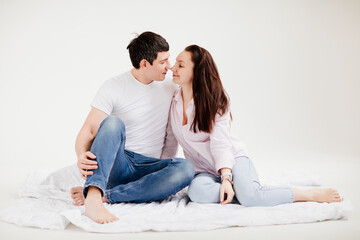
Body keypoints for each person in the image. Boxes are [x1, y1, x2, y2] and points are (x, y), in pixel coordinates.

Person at [163, 44, 342, 206]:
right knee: (197, 193)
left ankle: (307, 194)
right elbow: (171, 141)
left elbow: (221, 144)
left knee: (251, 198)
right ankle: (246, 191)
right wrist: (163, 170)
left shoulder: (215, 103)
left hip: (232, 161)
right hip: (203, 171)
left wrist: (226, 178)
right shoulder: (173, 101)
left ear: (197, 71)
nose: (173, 68)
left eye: (181, 65)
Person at [70, 32, 194, 224]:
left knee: (185, 168)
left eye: (168, 59)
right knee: (112, 123)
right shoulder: (113, 86)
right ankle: (93, 198)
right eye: (163, 62)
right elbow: (89, 131)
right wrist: (80, 155)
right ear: (144, 64)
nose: (169, 67)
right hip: (119, 164)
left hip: (149, 167)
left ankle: (108, 196)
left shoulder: (170, 86)